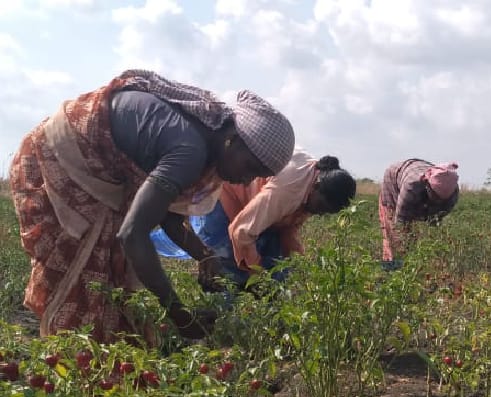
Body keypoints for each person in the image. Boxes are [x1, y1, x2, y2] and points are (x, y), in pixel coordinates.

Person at [9, 69, 295, 342]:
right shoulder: (189, 150)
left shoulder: (207, 139)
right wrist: (179, 314)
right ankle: (69, 365)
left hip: (101, 178)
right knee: (87, 276)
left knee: (111, 279)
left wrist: (205, 256)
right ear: (232, 140)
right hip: (59, 163)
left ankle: (104, 370)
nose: (247, 179)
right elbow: (132, 234)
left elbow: (166, 212)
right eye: (249, 167)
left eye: (257, 175)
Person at [196, 149, 356, 290]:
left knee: (279, 268)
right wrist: (259, 275)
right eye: (321, 207)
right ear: (317, 186)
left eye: (326, 212)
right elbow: (241, 231)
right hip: (228, 195)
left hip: (257, 207)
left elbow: (288, 229)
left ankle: (256, 304)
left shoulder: (314, 187)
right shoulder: (289, 189)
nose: (320, 213)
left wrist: (298, 264)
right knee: (223, 267)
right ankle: (220, 313)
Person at [379, 159, 459, 268]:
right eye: (435, 196)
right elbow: (400, 222)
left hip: (416, 184)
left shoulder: (452, 193)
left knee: (420, 237)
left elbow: (435, 222)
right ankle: (391, 271)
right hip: (393, 182)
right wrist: (404, 241)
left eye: (441, 199)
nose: (437, 201)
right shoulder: (411, 186)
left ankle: (416, 268)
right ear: (427, 185)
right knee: (394, 235)